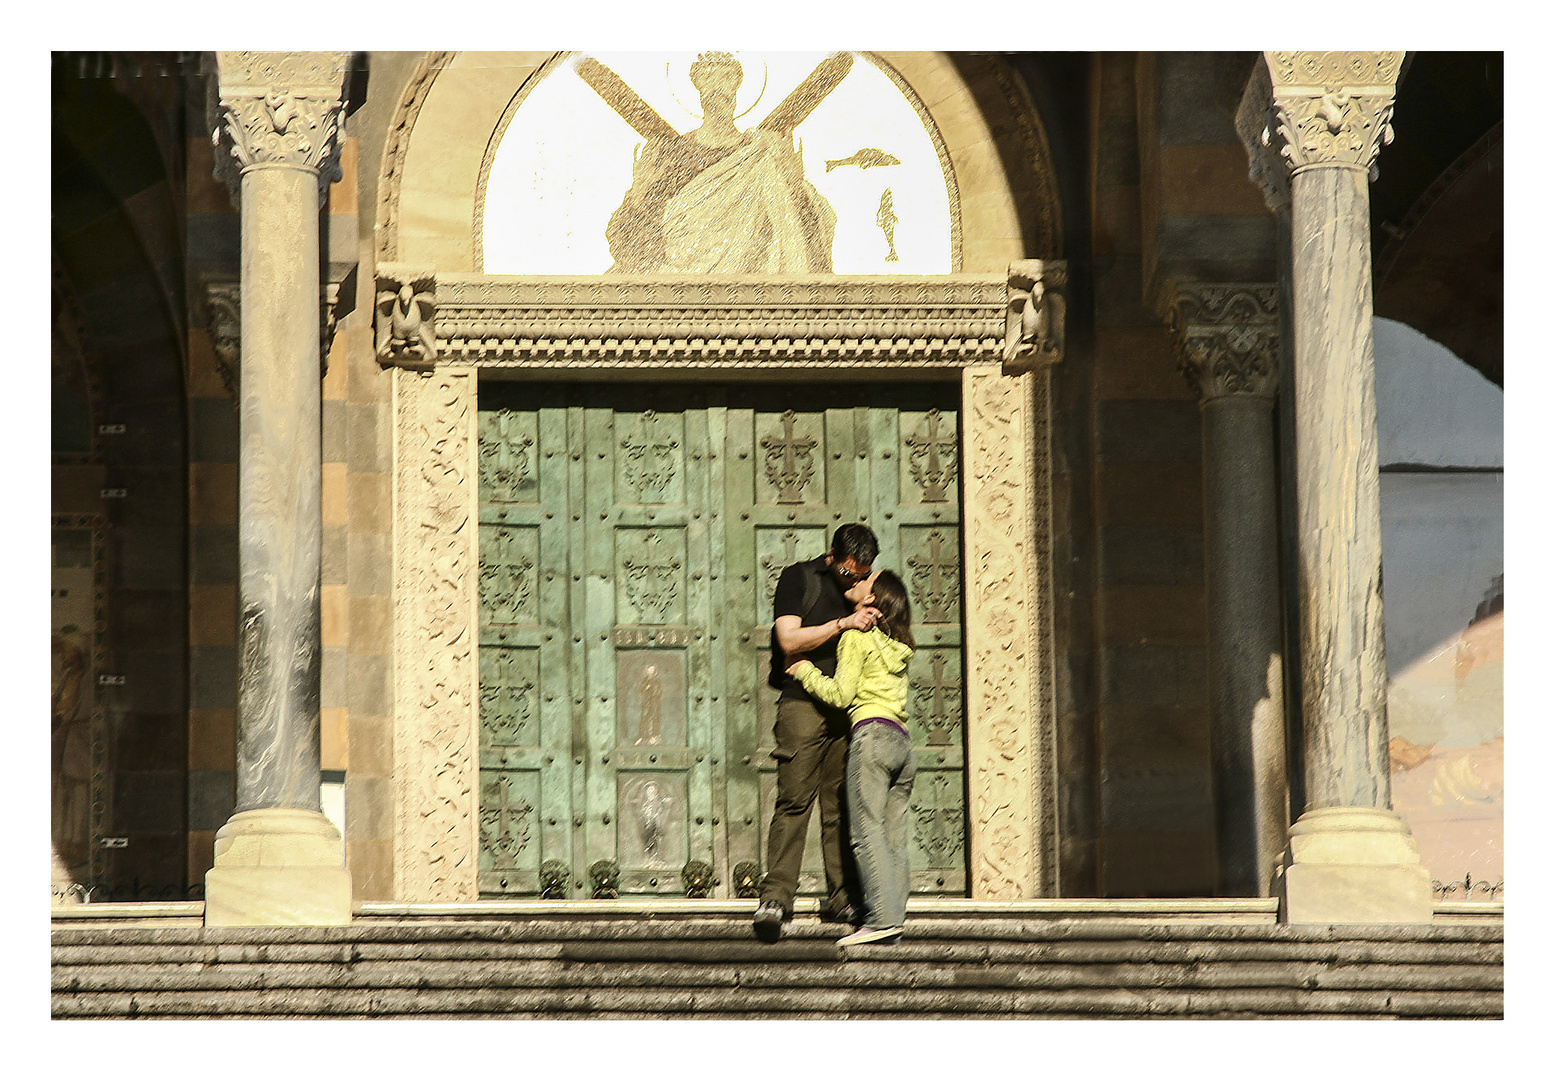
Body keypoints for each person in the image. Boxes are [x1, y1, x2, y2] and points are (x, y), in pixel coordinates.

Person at [752, 523, 879, 942]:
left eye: (863, 574)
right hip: (803, 704)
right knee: (793, 799)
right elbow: (788, 640)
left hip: (847, 707)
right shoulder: (799, 578)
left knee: (841, 803)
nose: (856, 581)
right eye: (849, 574)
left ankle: (842, 895)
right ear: (832, 557)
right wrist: (843, 624)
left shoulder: (866, 588)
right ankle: (776, 897)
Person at [605, 51, 836, 275]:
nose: (717, 87)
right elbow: (627, 249)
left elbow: (810, 248)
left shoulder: (761, 153)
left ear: (737, 84)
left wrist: (794, 184)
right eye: (708, 77)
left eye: (726, 77)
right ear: (697, 85)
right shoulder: (671, 155)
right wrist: (638, 191)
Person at [789, 569, 916, 947]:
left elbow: (842, 695)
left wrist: (805, 670)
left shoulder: (857, 639)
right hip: (902, 744)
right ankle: (893, 920)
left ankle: (878, 918)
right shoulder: (899, 643)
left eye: (865, 581)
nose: (855, 583)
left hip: (872, 736)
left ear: (872, 599)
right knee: (894, 838)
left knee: (865, 833)